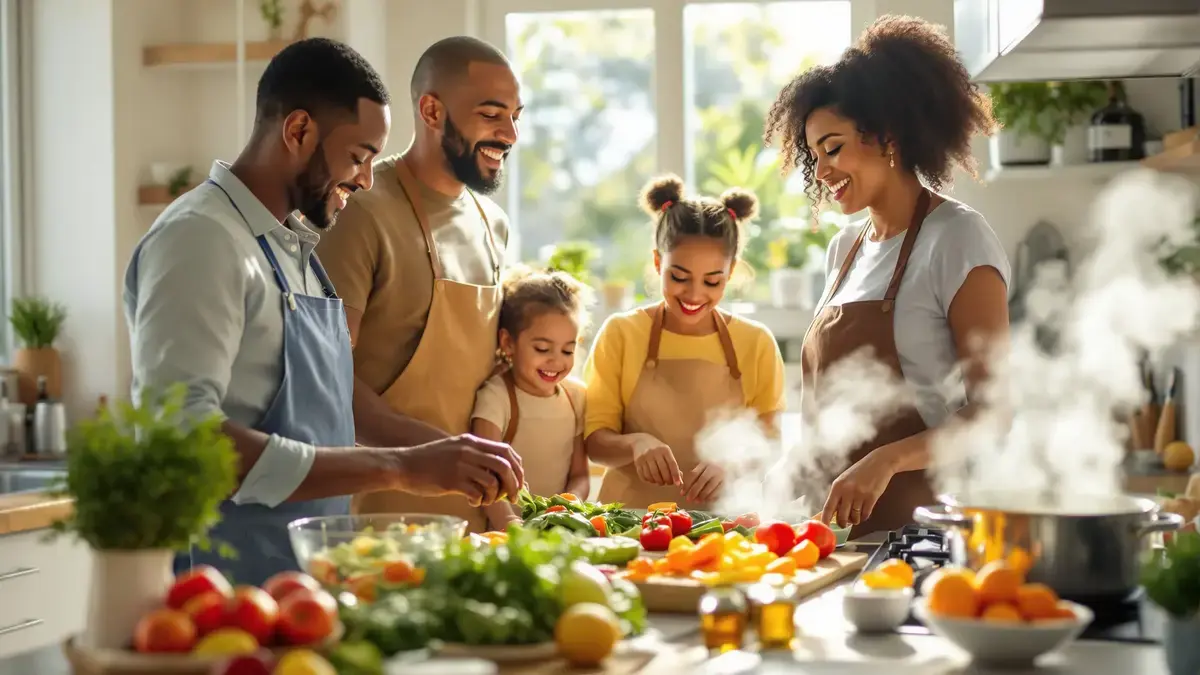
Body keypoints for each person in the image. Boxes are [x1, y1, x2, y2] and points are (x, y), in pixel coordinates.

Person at [123, 38, 523, 586]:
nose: (363, 180)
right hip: (224, 591)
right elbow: (183, 441)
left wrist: (436, 453)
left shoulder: (291, 249)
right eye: (358, 156)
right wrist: (402, 467)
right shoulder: (199, 239)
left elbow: (332, 407)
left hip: (303, 582)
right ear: (298, 131)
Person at [764, 15, 1011, 536]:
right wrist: (791, 467)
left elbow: (994, 412)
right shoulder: (843, 251)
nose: (822, 171)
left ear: (887, 135)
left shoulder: (957, 239)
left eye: (832, 147)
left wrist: (886, 460)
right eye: (814, 156)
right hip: (836, 537)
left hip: (929, 534)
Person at [315, 36, 521, 532]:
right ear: (431, 110)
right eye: (492, 115)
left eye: (517, 115)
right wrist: (434, 455)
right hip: (381, 510)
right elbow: (326, 379)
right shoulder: (361, 210)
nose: (510, 133)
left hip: (476, 506)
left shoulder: (492, 223)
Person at [584, 175, 787, 510]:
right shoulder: (621, 333)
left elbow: (770, 442)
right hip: (630, 524)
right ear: (656, 263)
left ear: (731, 271)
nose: (694, 295)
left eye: (712, 281)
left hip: (724, 525)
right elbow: (594, 442)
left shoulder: (756, 343)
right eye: (678, 277)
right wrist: (635, 443)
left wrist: (733, 463)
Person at [471, 266, 594, 529]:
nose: (556, 361)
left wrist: (565, 510)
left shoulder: (576, 397)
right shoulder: (496, 397)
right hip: (505, 534)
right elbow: (484, 475)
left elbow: (580, 475)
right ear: (508, 343)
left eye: (567, 350)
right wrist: (512, 525)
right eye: (542, 348)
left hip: (556, 532)